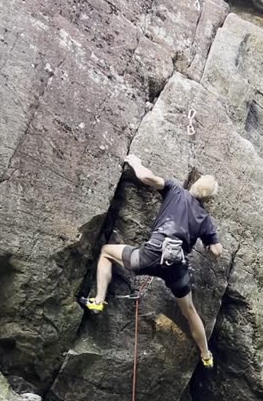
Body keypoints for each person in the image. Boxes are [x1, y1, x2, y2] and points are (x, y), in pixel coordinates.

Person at [81, 154, 222, 368]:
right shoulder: (206, 220)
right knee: (190, 311)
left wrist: (135, 162)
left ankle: (99, 300)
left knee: (106, 252)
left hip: (149, 256)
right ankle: (206, 355)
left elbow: (147, 178)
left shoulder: (175, 190)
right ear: (208, 199)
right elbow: (216, 251)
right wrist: (210, 244)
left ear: (194, 185)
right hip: (176, 269)